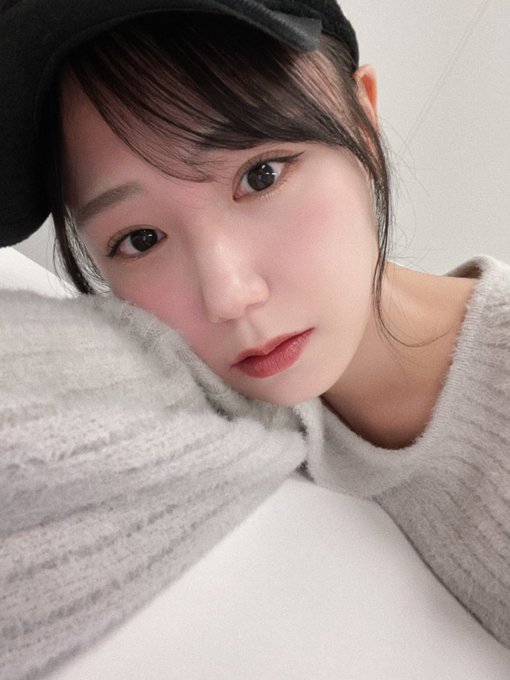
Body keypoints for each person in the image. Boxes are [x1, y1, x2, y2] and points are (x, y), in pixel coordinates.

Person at [1, 0, 509, 676]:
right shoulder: (209, 403)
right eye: (141, 239)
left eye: (261, 175)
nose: (228, 295)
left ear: (364, 119)